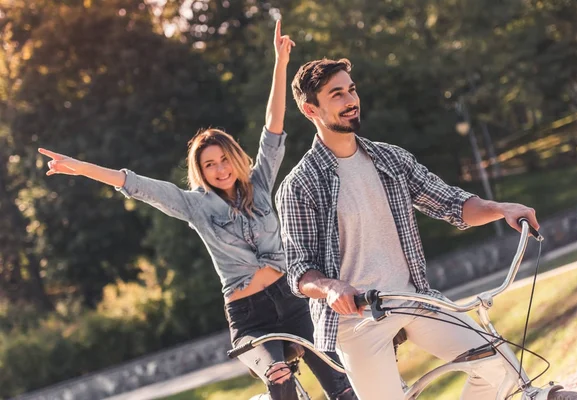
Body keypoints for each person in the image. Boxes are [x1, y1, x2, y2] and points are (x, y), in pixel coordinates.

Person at [39, 22, 355, 400]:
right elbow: (136, 185)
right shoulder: (195, 206)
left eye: (224, 160)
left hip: (292, 303)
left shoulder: (260, 182)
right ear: (200, 172)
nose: (220, 169)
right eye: (209, 165)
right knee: (278, 375)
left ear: (235, 159)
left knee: (339, 381)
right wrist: (79, 167)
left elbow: (273, 127)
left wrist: (280, 61)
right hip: (250, 317)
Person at [275, 57, 541, 400]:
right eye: (337, 94)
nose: (351, 101)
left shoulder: (390, 159)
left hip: (413, 299)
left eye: (351, 90)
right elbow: (299, 271)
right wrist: (330, 288)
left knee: (500, 366)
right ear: (311, 110)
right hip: (356, 321)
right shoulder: (300, 185)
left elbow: (451, 203)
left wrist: (501, 209)